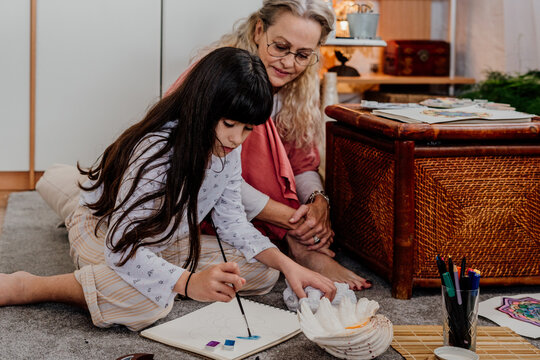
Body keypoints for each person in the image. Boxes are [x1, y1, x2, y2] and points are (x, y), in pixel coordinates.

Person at [0, 47, 336, 331]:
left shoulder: (227, 150)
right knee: (143, 304)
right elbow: (120, 247)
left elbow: (232, 223)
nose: (237, 139)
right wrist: (189, 283)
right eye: (229, 124)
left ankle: (91, 193)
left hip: (163, 239)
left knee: (262, 272)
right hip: (107, 232)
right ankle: (31, 283)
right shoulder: (156, 151)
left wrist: (289, 265)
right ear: (202, 107)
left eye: (248, 128)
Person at [167, 0, 371, 291]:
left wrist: (317, 201)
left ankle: (298, 244)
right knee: (253, 117)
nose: (289, 63)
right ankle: (301, 247)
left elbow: (302, 163)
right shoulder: (215, 74)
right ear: (259, 30)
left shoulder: (299, 89)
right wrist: (295, 222)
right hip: (198, 199)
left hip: (251, 211)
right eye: (280, 47)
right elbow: (206, 169)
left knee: (263, 270)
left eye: (303, 55)